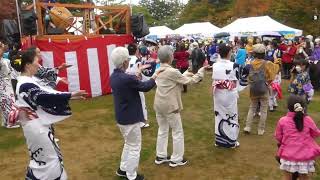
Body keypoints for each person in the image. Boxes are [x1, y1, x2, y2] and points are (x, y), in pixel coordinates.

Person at [13, 49, 87, 180]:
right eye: (36, 61)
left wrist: (70, 97)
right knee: (48, 161)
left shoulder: (29, 81)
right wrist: (70, 95)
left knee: (45, 160)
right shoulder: (25, 84)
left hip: (36, 126)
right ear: (28, 65)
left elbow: (48, 91)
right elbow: (43, 96)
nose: (39, 63)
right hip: (36, 127)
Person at [110, 47, 160, 180]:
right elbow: (145, 87)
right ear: (125, 62)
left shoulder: (114, 76)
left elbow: (131, 82)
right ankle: (131, 175)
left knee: (129, 143)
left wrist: (137, 72)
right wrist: (155, 75)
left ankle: (123, 169)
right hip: (130, 118)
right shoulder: (126, 79)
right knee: (134, 147)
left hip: (122, 116)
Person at [153, 45, 207, 167]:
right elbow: (189, 81)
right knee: (177, 131)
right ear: (170, 57)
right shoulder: (172, 71)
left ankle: (160, 155)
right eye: (172, 54)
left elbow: (179, 78)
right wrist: (201, 72)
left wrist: (187, 72)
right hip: (170, 106)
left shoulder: (159, 69)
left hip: (159, 104)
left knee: (162, 130)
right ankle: (176, 159)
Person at [275, 95, 320, 180]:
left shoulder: (283, 120)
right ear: (303, 107)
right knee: (304, 177)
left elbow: (278, 136)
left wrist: (285, 141)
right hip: (305, 156)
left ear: (288, 108)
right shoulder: (308, 119)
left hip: (288, 155)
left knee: (287, 177)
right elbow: (316, 133)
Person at [212, 43, 245, 148]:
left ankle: (219, 141)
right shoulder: (234, 65)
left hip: (218, 92)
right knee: (232, 116)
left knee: (219, 115)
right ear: (229, 53)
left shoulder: (215, 65)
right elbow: (238, 81)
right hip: (229, 93)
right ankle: (231, 141)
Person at [243, 44, 280, 135]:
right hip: (264, 89)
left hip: (253, 89)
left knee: (252, 108)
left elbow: (247, 76)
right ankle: (260, 130)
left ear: (254, 53)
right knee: (263, 110)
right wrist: (278, 61)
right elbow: (274, 72)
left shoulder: (250, 64)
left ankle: (248, 127)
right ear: (264, 53)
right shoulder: (267, 64)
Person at [126, 44, 151, 128]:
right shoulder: (137, 60)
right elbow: (139, 73)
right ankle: (142, 121)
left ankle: (132, 120)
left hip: (126, 82)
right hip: (135, 82)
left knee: (131, 102)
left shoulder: (126, 59)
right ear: (136, 51)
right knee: (141, 101)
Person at [0, 42, 19, 128]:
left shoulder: (5, 60)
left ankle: (7, 121)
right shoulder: (2, 61)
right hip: (2, 84)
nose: (3, 49)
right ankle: (9, 123)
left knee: (9, 101)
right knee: (7, 102)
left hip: (7, 82)